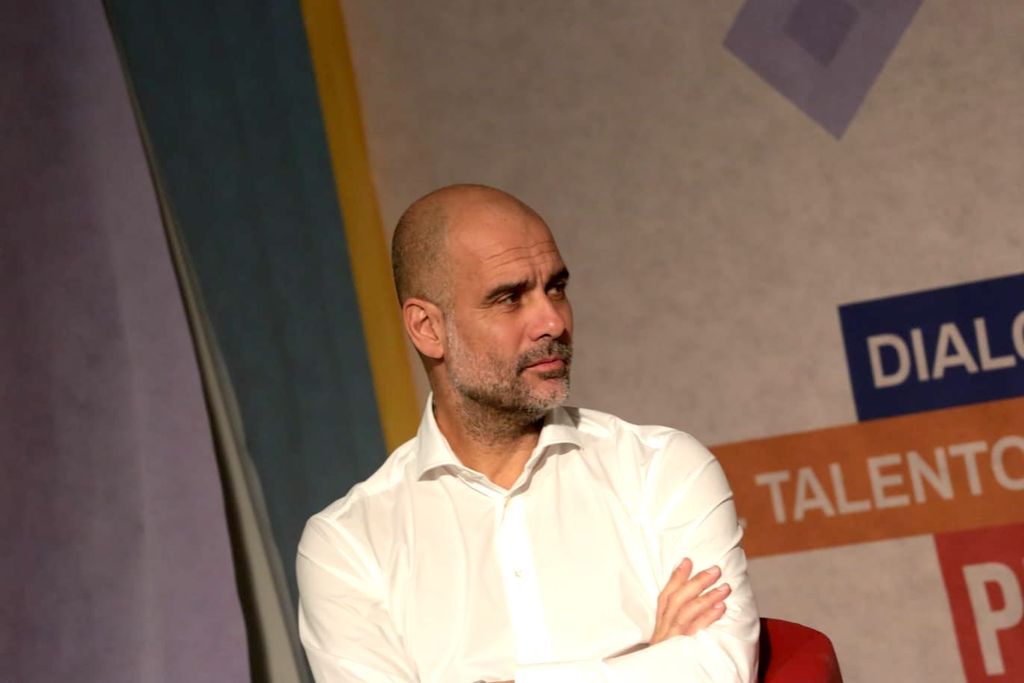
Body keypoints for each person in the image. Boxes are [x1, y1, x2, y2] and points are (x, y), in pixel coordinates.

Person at [297, 184, 759, 682]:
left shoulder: (661, 469)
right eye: (510, 298)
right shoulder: (347, 545)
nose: (552, 321)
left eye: (555, 288)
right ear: (428, 328)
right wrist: (650, 660)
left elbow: (720, 669)